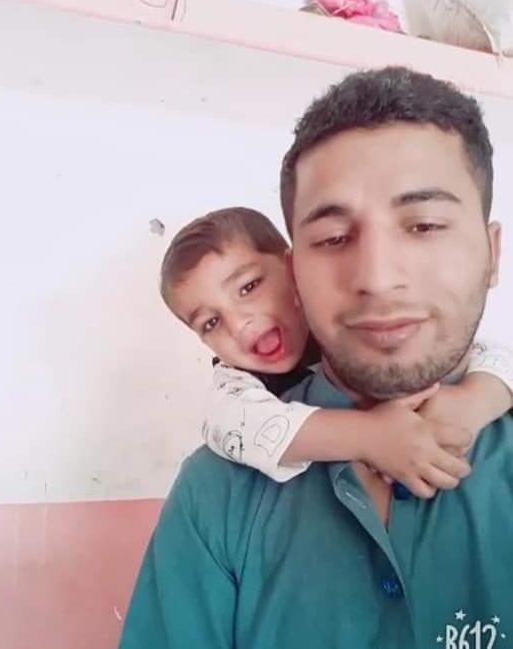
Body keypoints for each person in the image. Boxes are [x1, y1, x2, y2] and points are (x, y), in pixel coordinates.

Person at [119, 67, 513, 649]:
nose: (377, 278)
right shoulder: (219, 484)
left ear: (493, 254)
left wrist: (474, 402)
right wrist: (370, 436)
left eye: (425, 225)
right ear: (297, 266)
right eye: (332, 239)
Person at [160, 206, 512, 496]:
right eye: (210, 323)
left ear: (294, 268)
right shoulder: (234, 386)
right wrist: (371, 436)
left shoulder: (350, 320)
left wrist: (472, 402)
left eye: (248, 287)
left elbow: (492, 355)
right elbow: (234, 425)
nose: (238, 324)